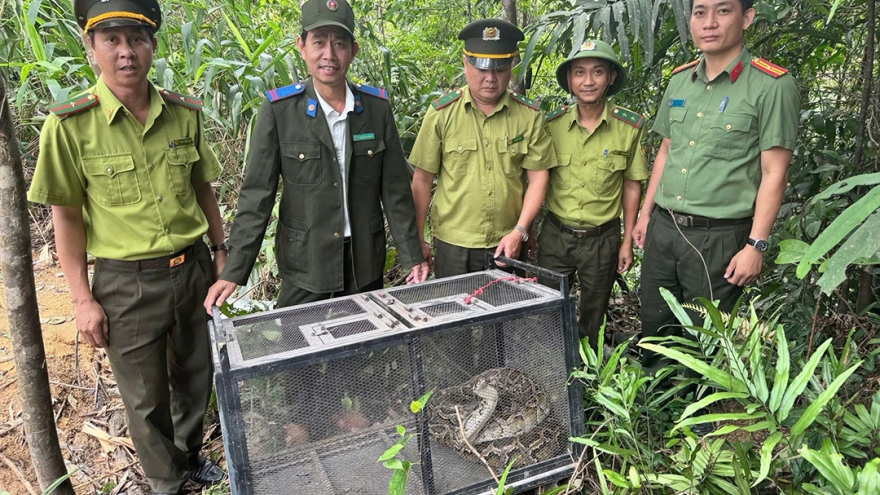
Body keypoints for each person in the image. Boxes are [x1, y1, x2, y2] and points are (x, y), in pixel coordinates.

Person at [27, 1, 227, 493]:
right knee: (144, 396)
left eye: (136, 38)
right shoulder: (70, 125)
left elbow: (204, 188)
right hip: (126, 279)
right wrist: (81, 298)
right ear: (91, 46)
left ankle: (190, 454)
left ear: (153, 45)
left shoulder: (183, 114)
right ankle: (166, 482)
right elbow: (66, 215)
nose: (125, 52)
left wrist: (222, 253)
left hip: (193, 267)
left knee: (195, 376)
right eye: (111, 39)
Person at [204, 0, 427, 312]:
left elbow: (395, 191)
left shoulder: (376, 108)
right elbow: (257, 195)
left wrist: (411, 255)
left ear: (353, 49)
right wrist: (234, 270)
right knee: (296, 351)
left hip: (363, 261)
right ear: (302, 46)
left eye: (339, 43)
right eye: (319, 42)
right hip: (305, 264)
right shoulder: (281, 110)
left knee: (363, 349)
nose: (329, 55)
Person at [633, 0, 800, 374]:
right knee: (655, 330)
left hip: (719, 238)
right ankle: (653, 420)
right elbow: (665, 151)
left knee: (706, 344)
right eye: (700, 12)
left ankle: (702, 425)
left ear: (747, 17)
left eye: (723, 11)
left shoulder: (771, 85)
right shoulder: (680, 80)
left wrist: (756, 245)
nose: (709, 23)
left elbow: (774, 172)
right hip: (664, 230)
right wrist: (645, 215)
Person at [410, 19, 554, 278]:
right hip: (454, 243)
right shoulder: (441, 114)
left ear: (511, 67)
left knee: (506, 316)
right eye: (481, 67)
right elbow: (422, 179)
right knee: (455, 314)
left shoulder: (529, 116)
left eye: (499, 68)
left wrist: (520, 231)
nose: (490, 78)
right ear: (465, 63)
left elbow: (538, 177)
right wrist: (418, 238)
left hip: (508, 240)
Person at [538, 40, 647, 347]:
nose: (588, 81)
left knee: (594, 313)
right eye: (579, 73)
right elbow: (537, 178)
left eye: (598, 72)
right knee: (547, 308)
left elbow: (631, 184)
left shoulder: (628, 126)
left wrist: (626, 241)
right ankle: (551, 363)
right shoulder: (551, 125)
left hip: (602, 238)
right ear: (569, 79)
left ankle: (589, 374)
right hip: (556, 234)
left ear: (610, 77)